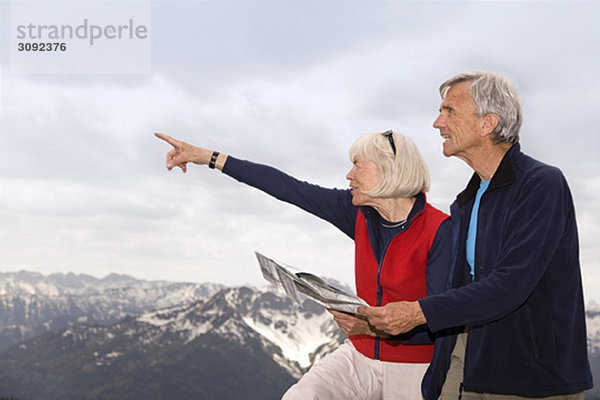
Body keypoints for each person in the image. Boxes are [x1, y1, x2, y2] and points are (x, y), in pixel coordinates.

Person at [155, 130, 451, 399]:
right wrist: (206, 157)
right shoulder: (357, 212)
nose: (349, 175)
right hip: (361, 354)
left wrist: (375, 328)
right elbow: (288, 187)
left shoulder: (441, 231)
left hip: (416, 365)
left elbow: (442, 319)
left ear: (389, 170)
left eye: (359, 165)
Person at [359, 71, 594, 399]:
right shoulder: (467, 202)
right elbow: (460, 293)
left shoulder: (542, 185)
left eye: (449, 111)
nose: (437, 123)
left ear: (488, 123)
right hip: (471, 367)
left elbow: (511, 284)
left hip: (531, 381)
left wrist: (416, 312)